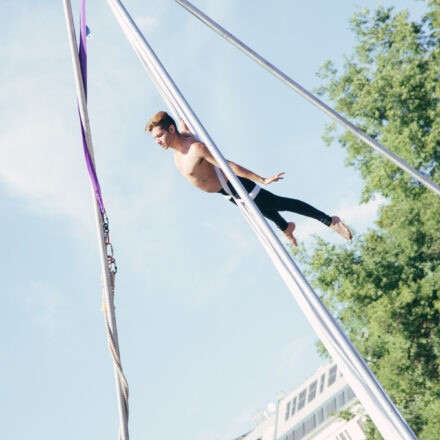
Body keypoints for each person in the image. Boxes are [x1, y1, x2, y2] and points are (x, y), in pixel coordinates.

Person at [145, 111, 352, 246]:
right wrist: (182, 126)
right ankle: (286, 227)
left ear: (171, 129)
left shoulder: (195, 148)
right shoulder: (179, 147)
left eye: (160, 136)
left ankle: (330, 221)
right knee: (263, 209)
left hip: (235, 186)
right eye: (155, 138)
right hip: (225, 193)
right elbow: (183, 132)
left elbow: (229, 165)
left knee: (280, 203)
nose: (158, 142)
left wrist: (261, 179)